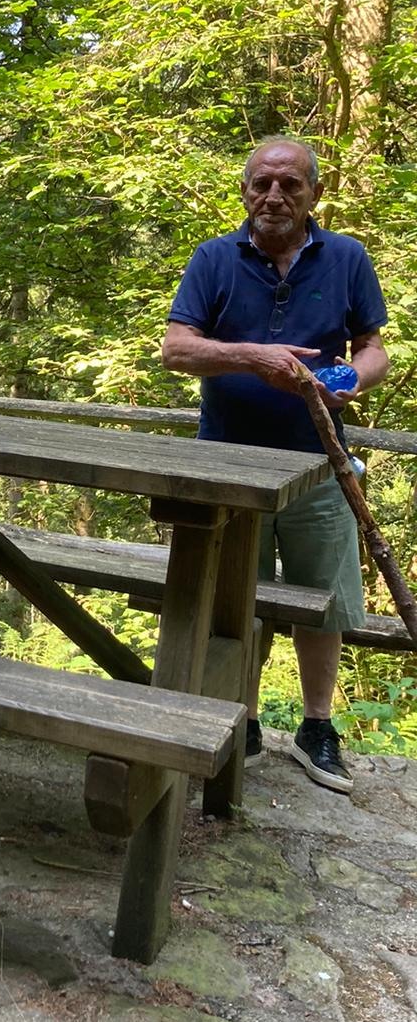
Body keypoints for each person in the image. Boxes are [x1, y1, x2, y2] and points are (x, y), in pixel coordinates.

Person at [162, 137, 388, 794]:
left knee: (324, 601)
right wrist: (253, 357)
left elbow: (374, 349)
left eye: (290, 184)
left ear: (314, 193)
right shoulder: (214, 258)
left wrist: (352, 378)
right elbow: (176, 349)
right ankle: (245, 720)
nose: (274, 196)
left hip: (319, 463)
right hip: (229, 466)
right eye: (262, 183)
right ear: (245, 191)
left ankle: (317, 727)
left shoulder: (346, 257)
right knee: (236, 601)